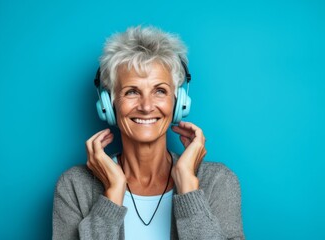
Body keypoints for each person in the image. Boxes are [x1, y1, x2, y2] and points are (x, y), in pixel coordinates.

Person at [52, 26, 244, 240]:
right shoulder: (75, 185)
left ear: (178, 102)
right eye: (132, 92)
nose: (146, 106)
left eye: (160, 91)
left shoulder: (217, 181)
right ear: (109, 104)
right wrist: (113, 193)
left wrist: (189, 189)